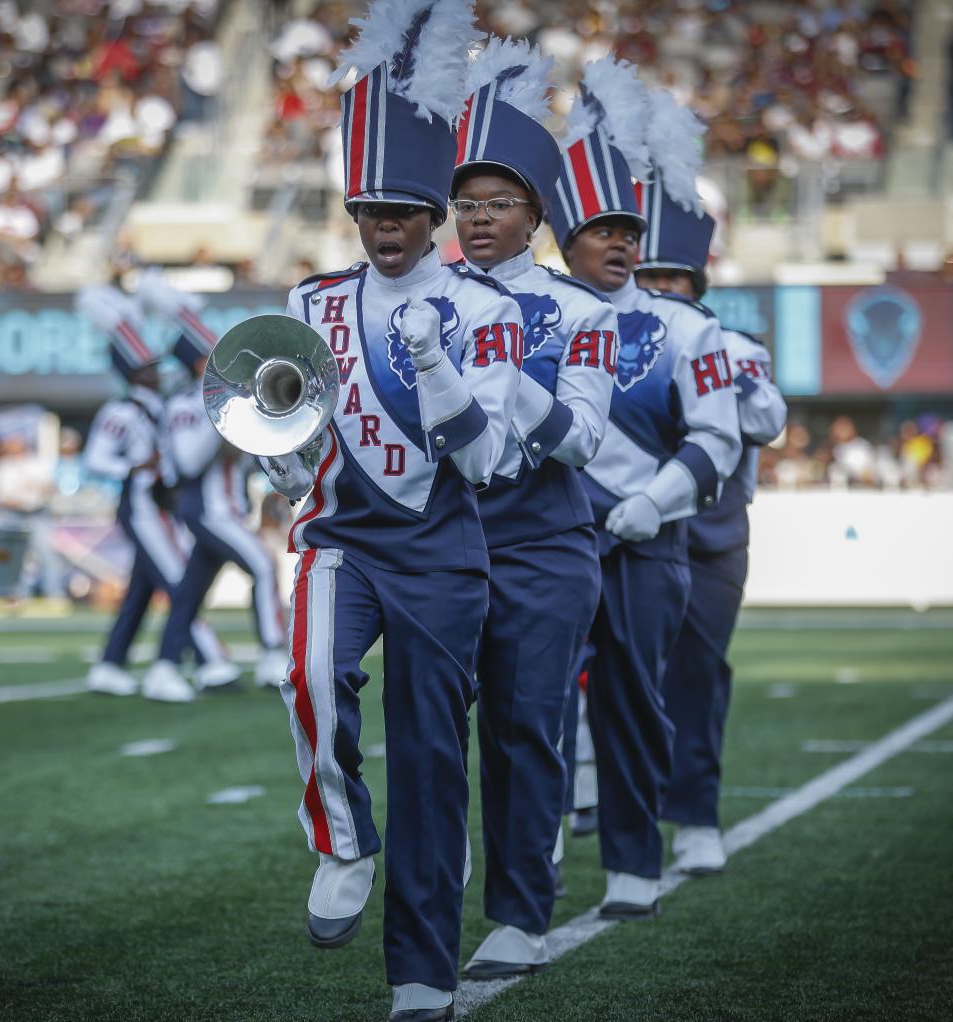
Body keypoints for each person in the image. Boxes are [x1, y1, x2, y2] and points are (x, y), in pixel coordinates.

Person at [260, 2, 518, 1018]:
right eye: (369, 211)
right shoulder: (311, 297)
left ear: (436, 215)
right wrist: (284, 467)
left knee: (426, 749)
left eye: (404, 212)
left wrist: (433, 366)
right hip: (336, 537)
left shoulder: (487, 307)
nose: (385, 229)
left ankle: (419, 971)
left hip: (443, 546)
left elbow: (487, 458)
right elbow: (285, 421)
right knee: (308, 675)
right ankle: (341, 837)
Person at [554, 62, 741, 918]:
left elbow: (718, 438)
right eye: (603, 227)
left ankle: (634, 863)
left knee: (632, 709)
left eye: (631, 227)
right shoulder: (525, 314)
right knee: (532, 707)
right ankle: (534, 862)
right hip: (544, 543)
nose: (623, 241)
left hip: (642, 546)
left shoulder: (688, 329)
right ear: (566, 236)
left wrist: (654, 501)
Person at [447, 38, 616, 979]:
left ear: (537, 215)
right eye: (465, 204)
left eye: (498, 203)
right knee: (432, 731)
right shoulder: (413, 301)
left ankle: (518, 909)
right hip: (434, 544)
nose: (476, 219)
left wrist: (512, 377)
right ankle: (437, 890)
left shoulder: (583, 313)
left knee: (523, 726)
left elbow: (585, 442)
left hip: (542, 542)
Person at [635, 168, 787, 877]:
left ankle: (695, 815)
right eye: (651, 277)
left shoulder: (736, 346)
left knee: (697, 673)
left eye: (675, 280)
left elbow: (770, 420)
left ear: (697, 285)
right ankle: (608, 810)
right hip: (630, 530)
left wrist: (708, 368)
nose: (663, 291)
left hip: (711, 537)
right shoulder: (612, 341)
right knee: (616, 675)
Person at [77, 282, 237, 701]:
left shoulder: (155, 404)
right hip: (142, 505)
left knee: (143, 590)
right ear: (132, 372)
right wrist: (132, 465)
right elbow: (94, 460)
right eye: (148, 365)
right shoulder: (122, 411)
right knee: (180, 579)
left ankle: (111, 665)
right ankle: (206, 662)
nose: (157, 370)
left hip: (160, 504)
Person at [138, 269, 288, 700]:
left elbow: (244, 461)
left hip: (224, 506)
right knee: (262, 564)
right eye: (213, 356)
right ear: (199, 362)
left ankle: (164, 667)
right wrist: (222, 414)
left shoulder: (218, 400)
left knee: (189, 593)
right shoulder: (189, 403)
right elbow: (187, 461)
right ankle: (272, 653)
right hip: (206, 509)